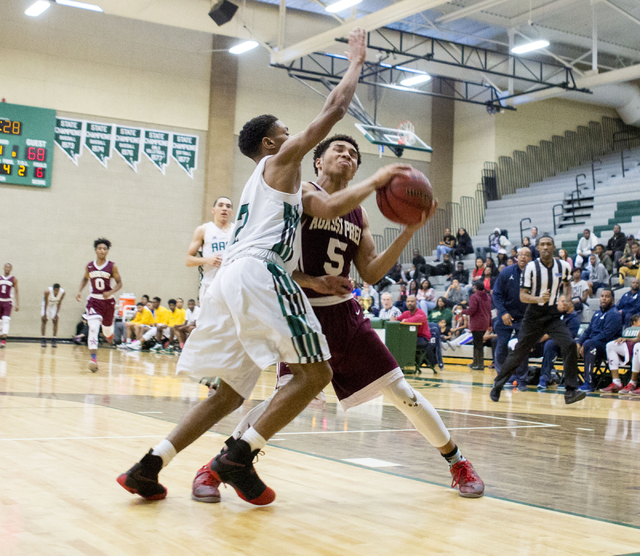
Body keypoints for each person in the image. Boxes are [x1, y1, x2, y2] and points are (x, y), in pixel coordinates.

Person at [118, 29, 373, 506]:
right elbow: (335, 110)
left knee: (231, 393)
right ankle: (238, 456)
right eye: (284, 128)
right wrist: (356, 60)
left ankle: (148, 466)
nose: (291, 132)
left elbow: (328, 208)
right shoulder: (281, 160)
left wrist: (315, 276)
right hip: (259, 272)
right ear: (270, 141)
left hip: (230, 280)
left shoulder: (276, 186)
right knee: (315, 375)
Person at [225, 133, 483, 499]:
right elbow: (274, 261)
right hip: (301, 313)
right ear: (318, 160)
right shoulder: (298, 194)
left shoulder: (358, 213)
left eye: (354, 154)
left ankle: (458, 462)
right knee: (285, 399)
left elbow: (372, 272)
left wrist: (408, 231)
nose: (347, 155)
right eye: (339, 150)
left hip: (345, 317)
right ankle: (224, 460)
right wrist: (314, 280)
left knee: (402, 391)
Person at [490, 235, 586, 405]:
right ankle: (498, 384)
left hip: (552, 314)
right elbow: (523, 296)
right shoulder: (531, 268)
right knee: (520, 351)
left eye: (549, 244)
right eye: (542, 244)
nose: (546, 247)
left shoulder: (563, 266)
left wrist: (568, 300)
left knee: (570, 344)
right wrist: (538, 298)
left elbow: (567, 285)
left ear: (554, 247)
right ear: (538, 249)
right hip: (533, 314)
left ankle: (571, 391)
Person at [76, 239, 122, 372]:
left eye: (104, 249)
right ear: (96, 250)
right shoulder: (89, 266)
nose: (102, 250)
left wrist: (111, 291)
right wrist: (79, 291)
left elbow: (119, 283)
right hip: (94, 301)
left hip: (108, 302)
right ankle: (93, 359)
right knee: (93, 328)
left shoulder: (112, 266)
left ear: (107, 251)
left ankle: (109, 334)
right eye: (99, 248)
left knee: (107, 331)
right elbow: (85, 278)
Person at [492, 247, 532, 390]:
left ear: (531, 258)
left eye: (526, 255)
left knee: (522, 348)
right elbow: (496, 294)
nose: (523, 257)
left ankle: (521, 380)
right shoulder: (506, 272)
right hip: (505, 315)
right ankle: (501, 378)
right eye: (520, 254)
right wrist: (502, 312)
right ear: (516, 257)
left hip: (524, 318)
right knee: (501, 346)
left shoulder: (535, 274)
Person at [186, 197, 233, 303]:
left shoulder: (237, 231)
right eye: (220, 205)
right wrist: (207, 260)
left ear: (232, 212)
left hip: (231, 285)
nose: (224, 208)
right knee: (208, 320)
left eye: (228, 206)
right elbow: (188, 260)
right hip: (210, 285)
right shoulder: (203, 230)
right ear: (213, 210)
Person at [576, 289, 622, 392]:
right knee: (573, 345)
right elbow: (588, 331)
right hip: (593, 343)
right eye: (602, 296)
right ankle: (573, 379)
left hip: (607, 347)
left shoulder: (614, 314)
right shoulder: (597, 313)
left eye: (607, 296)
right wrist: (579, 343)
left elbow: (606, 335)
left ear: (613, 300)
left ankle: (589, 382)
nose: (604, 298)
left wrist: (586, 344)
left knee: (589, 344)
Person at [536, 297, 581, 390]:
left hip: (565, 347)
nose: (562, 304)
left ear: (570, 303)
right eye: (561, 302)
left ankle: (544, 378)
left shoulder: (574, 318)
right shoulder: (559, 315)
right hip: (553, 344)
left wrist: (549, 336)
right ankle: (519, 376)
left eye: (565, 302)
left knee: (550, 344)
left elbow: (570, 335)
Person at [604, 315, 640, 394]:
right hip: (632, 347)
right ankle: (617, 382)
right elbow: (638, 339)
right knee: (610, 345)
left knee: (638, 346)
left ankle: (633, 382)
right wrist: (626, 338)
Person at [463, 282, 491, 370]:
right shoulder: (488, 297)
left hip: (477, 322)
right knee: (478, 343)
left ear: (475, 287)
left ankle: (479, 364)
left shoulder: (474, 297)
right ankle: (476, 362)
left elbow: (472, 310)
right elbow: (489, 311)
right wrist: (490, 323)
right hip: (485, 322)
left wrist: (462, 312)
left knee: (477, 344)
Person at [0, 263, 18, 348]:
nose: (7, 269)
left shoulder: (13, 279)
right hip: (0, 301)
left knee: (6, 320)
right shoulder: (0, 278)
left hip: (8, 302)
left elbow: (16, 292)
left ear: (11, 269)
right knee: (0, 322)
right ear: (4, 268)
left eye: (9, 267)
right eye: (6, 267)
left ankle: (4, 341)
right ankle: (1, 338)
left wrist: (17, 304)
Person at [41, 283, 65, 347]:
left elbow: (60, 303)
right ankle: (43, 339)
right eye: (55, 290)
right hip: (47, 305)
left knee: (55, 321)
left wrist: (57, 314)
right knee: (44, 320)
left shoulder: (62, 292)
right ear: (53, 289)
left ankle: (54, 339)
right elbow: (46, 303)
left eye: (57, 291)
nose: (56, 292)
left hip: (54, 305)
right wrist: (45, 313)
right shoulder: (47, 292)